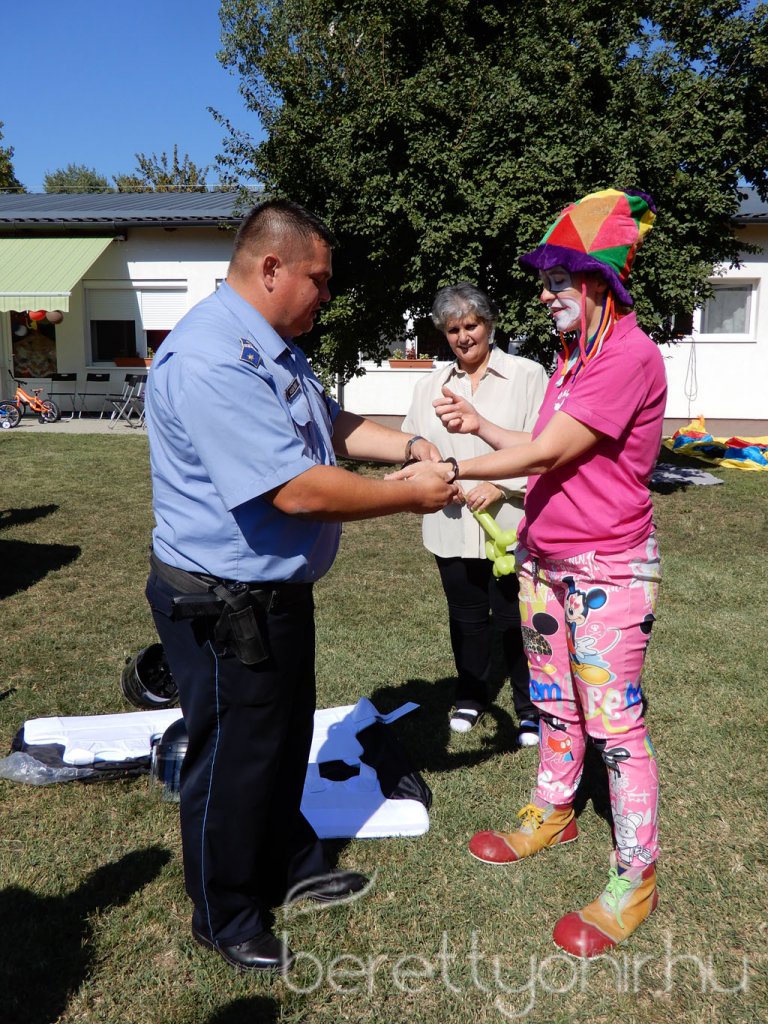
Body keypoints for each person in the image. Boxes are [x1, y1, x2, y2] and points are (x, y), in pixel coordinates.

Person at [144, 199, 459, 973]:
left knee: (281, 744)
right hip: (224, 604)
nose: (327, 294)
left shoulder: (272, 345)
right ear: (271, 267)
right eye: (318, 279)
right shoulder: (215, 358)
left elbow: (330, 424)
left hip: (271, 594)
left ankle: (285, 858)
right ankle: (224, 913)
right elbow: (297, 490)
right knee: (232, 760)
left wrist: (411, 443)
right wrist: (411, 493)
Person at [389, 189, 666, 958]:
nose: (542, 295)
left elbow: (544, 455)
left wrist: (455, 462)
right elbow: (545, 443)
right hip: (544, 563)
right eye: (542, 281)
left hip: (608, 567)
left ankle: (635, 872)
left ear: (598, 282)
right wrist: (481, 428)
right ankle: (554, 808)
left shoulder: (627, 355)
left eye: (555, 280)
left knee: (616, 728)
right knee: (553, 703)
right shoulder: (574, 362)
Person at [402, 283, 547, 739]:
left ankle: (529, 708)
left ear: (489, 324)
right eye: (453, 329)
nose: (464, 336)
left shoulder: (528, 375)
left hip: (510, 525)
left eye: (471, 325)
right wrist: (429, 475)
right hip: (450, 523)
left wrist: (501, 486)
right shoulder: (430, 384)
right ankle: (469, 696)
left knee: (515, 619)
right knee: (465, 616)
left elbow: (545, 450)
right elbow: (416, 449)